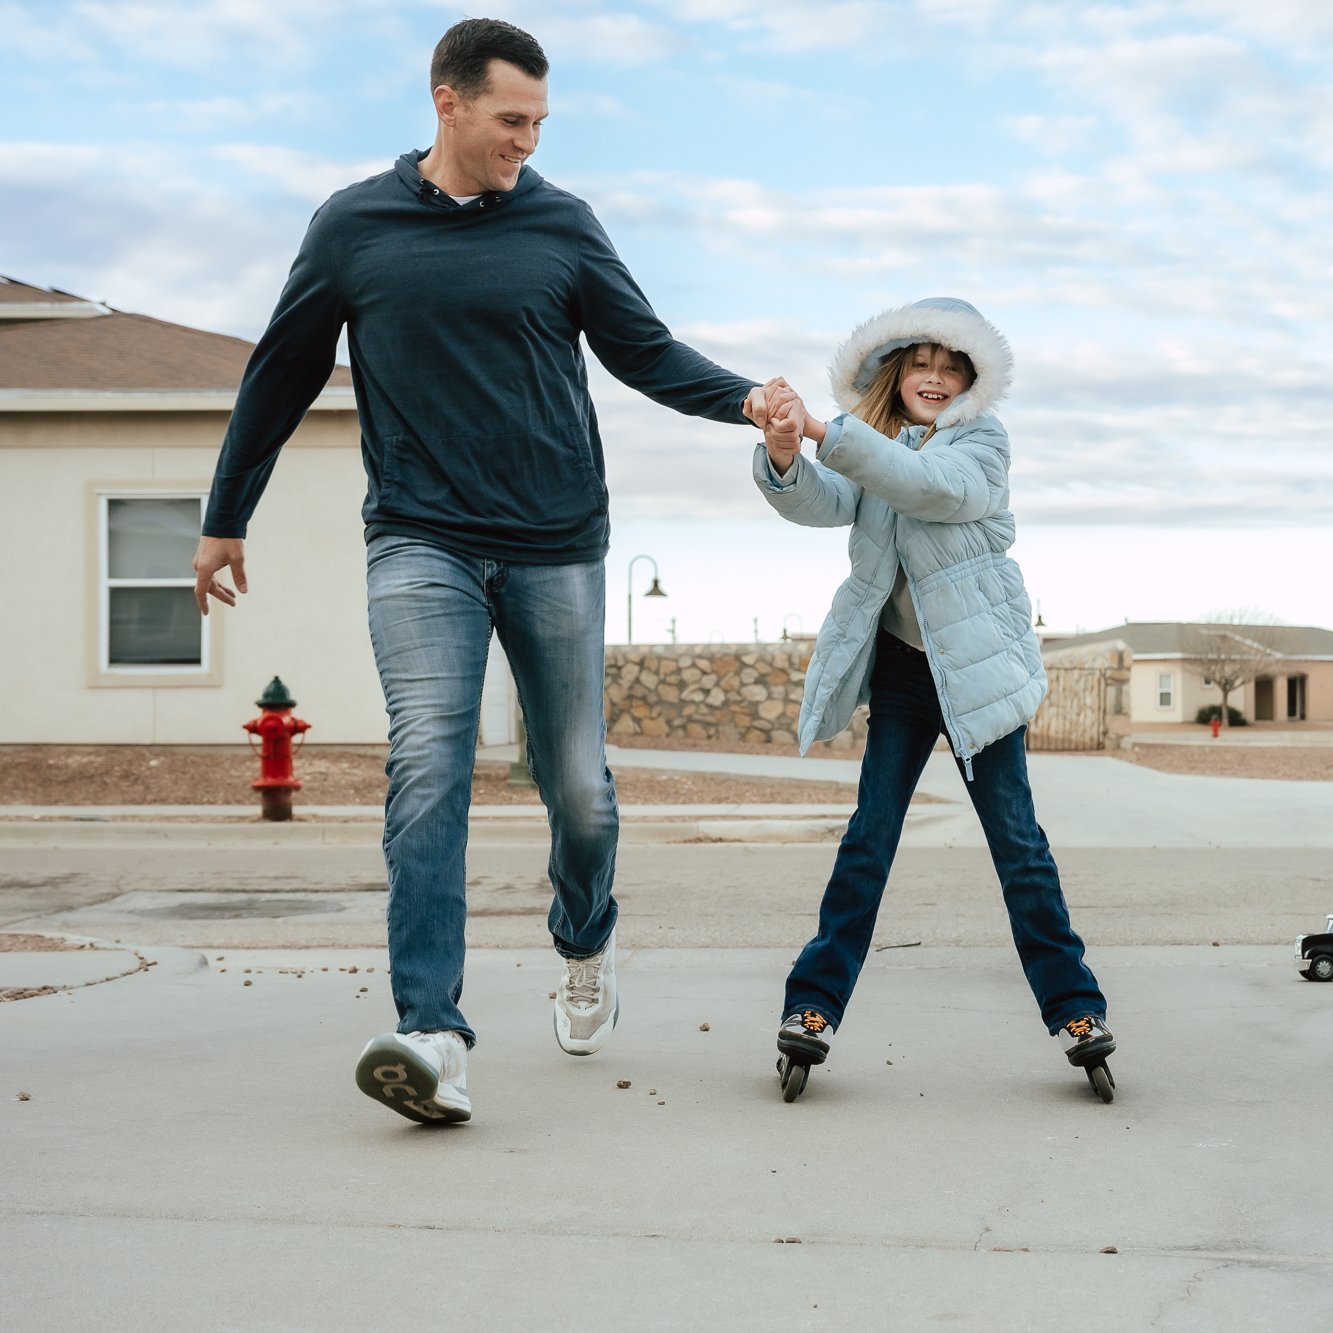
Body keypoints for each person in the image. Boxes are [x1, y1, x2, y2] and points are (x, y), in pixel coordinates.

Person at [192, 18, 785, 1123]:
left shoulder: (562, 223)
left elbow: (641, 351)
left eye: (540, 123)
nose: (527, 141)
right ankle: (432, 1035)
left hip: (556, 536)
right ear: (447, 103)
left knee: (578, 793)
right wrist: (225, 517)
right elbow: (278, 374)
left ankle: (583, 938)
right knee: (429, 762)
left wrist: (746, 396)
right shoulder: (352, 226)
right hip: (420, 535)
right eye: (512, 120)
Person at [750, 297, 1113, 1096]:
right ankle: (812, 1007)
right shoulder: (874, 448)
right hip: (905, 674)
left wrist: (822, 431)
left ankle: (1077, 1008)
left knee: (1018, 845)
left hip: (978, 672)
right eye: (923, 363)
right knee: (869, 839)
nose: (937, 378)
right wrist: (783, 451)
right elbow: (824, 499)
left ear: (972, 383)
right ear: (895, 372)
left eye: (954, 368)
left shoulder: (980, 445)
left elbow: (929, 489)